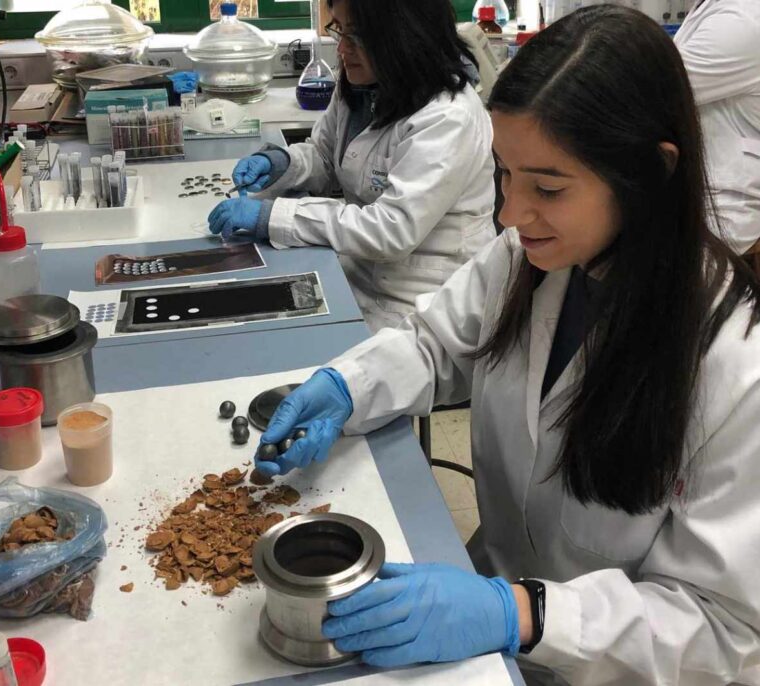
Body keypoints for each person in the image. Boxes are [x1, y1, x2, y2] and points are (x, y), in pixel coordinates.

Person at [250, 6, 760, 685]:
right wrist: (348, 387)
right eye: (505, 176)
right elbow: (436, 342)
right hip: (494, 595)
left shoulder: (735, 367)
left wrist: (522, 614)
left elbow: (726, 630)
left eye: (548, 187)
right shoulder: (529, 258)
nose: (510, 215)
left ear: (651, 173)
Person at [207, 0, 496, 331]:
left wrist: (270, 216)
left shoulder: (448, 116)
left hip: (425, 305)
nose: (343, 48)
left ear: (406, 35)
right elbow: (327, 156)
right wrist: (282, 163)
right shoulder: (364, 86)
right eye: (340, 31)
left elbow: (390, 229)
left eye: (358, 36)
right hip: (358, 276)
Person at [674, 0, 760, 253]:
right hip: (694, 188)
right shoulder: (711, 9)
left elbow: (654, 89)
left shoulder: (742, 20)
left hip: (723, 205)